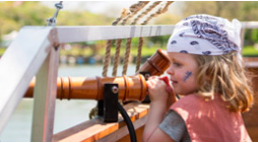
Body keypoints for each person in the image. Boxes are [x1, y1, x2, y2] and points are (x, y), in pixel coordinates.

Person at [143, 14, 254, 142]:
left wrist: (158, 102)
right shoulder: (227, 101)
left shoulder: (186, 108)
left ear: (208, 70)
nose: (169, 71)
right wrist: (173, 104)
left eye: (177, 64)